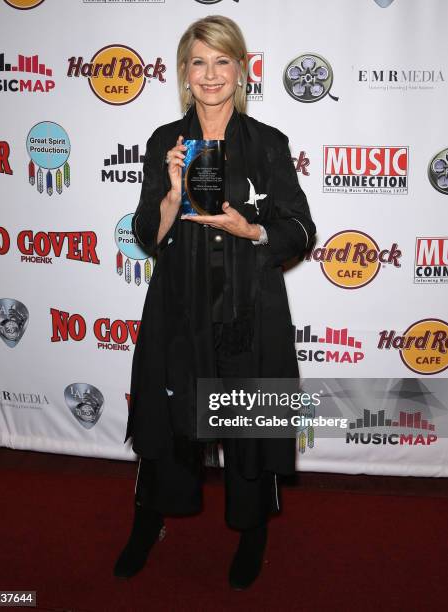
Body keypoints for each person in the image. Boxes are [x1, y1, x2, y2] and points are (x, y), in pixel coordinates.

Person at [114, 15, 316, 590]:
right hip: (178, 307)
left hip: (248, 312)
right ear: (184, 72)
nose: (210, 74)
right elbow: (147, 235)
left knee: (249, 425)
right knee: (166, 421)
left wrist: (250, 230)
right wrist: (174, 195)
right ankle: (147, 521)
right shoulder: (163, 142)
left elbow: (301, 229)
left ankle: (253, 531)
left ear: (241, 70)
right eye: (198, 62)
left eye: (221, 61)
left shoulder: (268, 145)